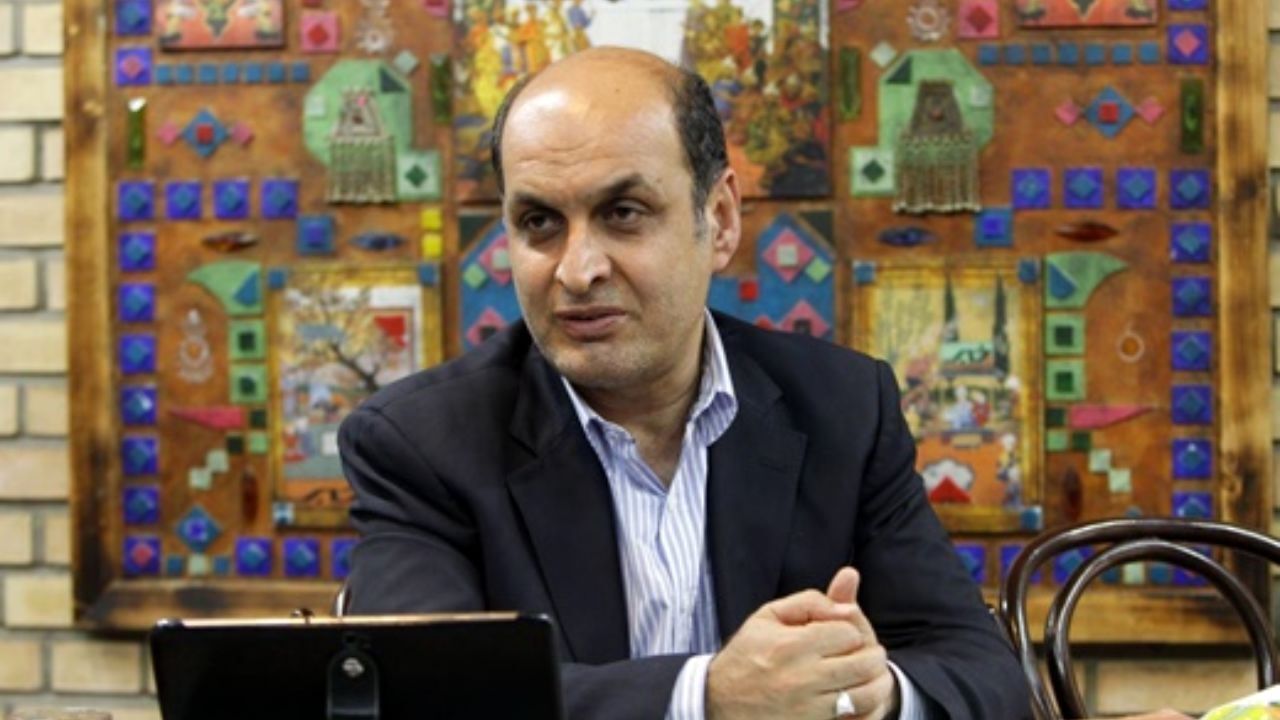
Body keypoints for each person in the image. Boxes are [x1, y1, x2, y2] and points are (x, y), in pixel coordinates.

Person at [338, 47, 1031, 719]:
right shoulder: (421, 444)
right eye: (539, 222)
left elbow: (982, 673)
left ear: (720, 220)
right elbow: (418, 696)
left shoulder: (844, 409)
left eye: (623, 213)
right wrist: (705, 700)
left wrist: (875, 694)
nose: (577, 270)